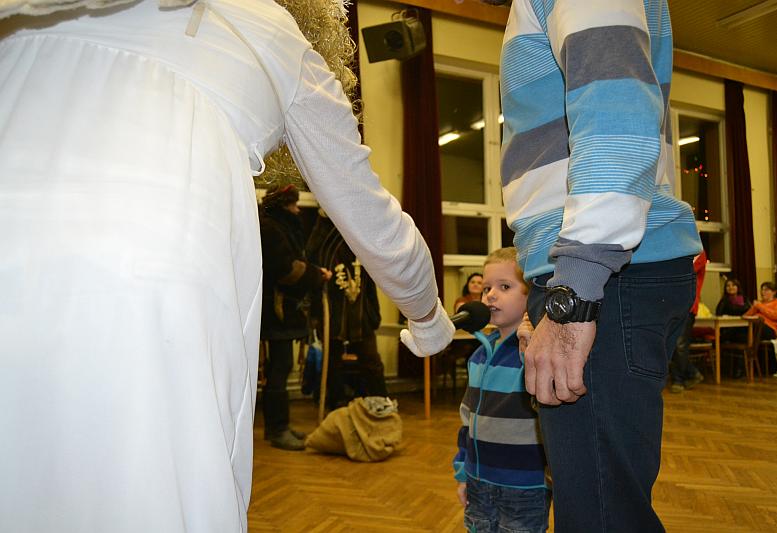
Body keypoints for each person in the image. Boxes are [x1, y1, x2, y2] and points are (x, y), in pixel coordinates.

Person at [0, 2, 454, 531]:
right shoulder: (275, 33)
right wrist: (427, 315)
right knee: (149, 477)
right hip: (159, 261)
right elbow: (369, 215)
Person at [491, 0, 703, 530]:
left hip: (604, 276)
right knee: (602, 504)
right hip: (601, 272)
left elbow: (616, 115)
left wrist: (573, 296)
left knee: (601, 515)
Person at [453, 248, 549, 533]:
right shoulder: (478, 357)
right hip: (479, 481)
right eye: (486, 288)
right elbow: (467, 421)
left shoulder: (534, 354)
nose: (490, 295)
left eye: (504, 287)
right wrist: (463, 473)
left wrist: (531, 348)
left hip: (526, 486)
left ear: (532, 295)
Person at [260, 184, 331, 450]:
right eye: (293, 204)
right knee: (279, 369)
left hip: (280, 311)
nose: (298, 209)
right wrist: (316, 275)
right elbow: (285, 270)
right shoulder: (271, 229)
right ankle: (277, 430)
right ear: (283, 205)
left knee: (279, 368)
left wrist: (312, 272)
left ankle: (279, 427)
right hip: (276, 311)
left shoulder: (277, 226)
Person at [306, 210, 388, 408]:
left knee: (372, 362)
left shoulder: (361, 240)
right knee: (332, 363)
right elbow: (311, 254)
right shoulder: (324, 236)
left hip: (361, 314)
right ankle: (337, 407)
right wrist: (316, 315)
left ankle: (382, 407)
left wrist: (373, 313)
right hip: (333, 313)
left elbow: (370, 283)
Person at [670, 250, 708, 393]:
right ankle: (691, 373)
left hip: (688, 305)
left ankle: (679, 380)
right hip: (674, 306)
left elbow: (685, 271)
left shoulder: (698, 251)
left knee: (679, 344)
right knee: (673, 343)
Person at [745, 282, 777, 376]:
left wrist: (759, 307)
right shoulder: (759, 303)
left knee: (758, 325)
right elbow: (746, 316)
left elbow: (776, 315)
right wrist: (755, 307)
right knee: (747, 328)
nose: (763, 292)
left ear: (773, 292)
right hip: (756, 328)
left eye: (766, 290)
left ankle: (751, 355)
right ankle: (747, 358)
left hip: (771, 330)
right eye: (762, 289)